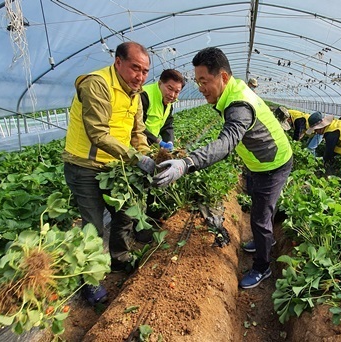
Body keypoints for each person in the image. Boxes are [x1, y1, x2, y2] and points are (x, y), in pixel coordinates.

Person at [153, 47, 293, 289]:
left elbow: (226, 143)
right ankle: (265, 241)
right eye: (197, 82)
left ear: (223, 77)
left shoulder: (239, 104)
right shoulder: (231, 93)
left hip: (273, 164)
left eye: (204, 80)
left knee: (259, 217)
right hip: (260, 162)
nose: (200, 87)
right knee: (259, 206)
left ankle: (262, 267)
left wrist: (187, 163)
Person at [63, 41, 156, 305]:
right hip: (85, 167)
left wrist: (146, 154)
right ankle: (89, 282)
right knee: (92, 225)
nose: (140, 76)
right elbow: (98, 133)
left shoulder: (134, 93)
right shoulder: (97, 84)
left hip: (115, 166)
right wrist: (136, 158)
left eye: (145, 71)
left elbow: (138, 132)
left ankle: (120, 259)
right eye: (135, 68)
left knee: (125, 214)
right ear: (118, 62)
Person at [141, 69, 186, 150]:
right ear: (160, 83)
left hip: (148, 147)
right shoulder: (144, 95)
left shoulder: (169, 102)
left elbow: (167, 125)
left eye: (176, 92)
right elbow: (137, 127)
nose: (172, 95)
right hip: (132, 150)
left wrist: (169, 141)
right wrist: (158, 141)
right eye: (170, 88)